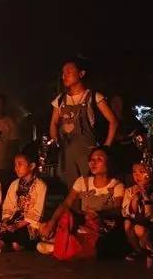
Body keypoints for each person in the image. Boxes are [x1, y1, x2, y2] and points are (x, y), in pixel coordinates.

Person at [38, 146, 125, 260]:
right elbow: (66, 204)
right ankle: (64, 244)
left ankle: (59, 246)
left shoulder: (116, 185)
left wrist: (100, 214)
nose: (93, 163)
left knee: (100, 244)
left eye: (99, 160)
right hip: (82, 225)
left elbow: (118, 210)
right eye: (92, 160)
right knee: (63, 218)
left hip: (99, 228)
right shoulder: (82, 181)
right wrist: (52, 223)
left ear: (109, 163)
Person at [49, 58, 119, 188]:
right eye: (63, 73)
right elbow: (53, 123)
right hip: (67, 153)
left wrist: (105, 148)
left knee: (88, 189)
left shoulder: (94, 97)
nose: (65, 76)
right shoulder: (60, 100)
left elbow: (113, 122)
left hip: (88, 154)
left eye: (69, 71)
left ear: (81, 74)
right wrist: (55, 142)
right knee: (71, 190)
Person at [0, 147, 48, 251]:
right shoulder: (14, 184)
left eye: (20, 164)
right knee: (1, 240)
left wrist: (17, 225)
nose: (16, 168)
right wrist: (6, 220)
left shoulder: (40, 186)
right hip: (15, 220)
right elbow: (8, 205)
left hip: (29, 223)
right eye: (15, 165)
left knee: (16, 245)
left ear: (31, 166)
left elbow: (36, 212)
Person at [122, 161, 153, 263]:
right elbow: (125, 212)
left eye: (142, 172)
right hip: (136, 221)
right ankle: (138, 250)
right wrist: (135, 200)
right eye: (134, 172)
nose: (137, 175)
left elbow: (152, 216)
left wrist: (146, 198)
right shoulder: (130, 191)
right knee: (127, 223)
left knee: (139, 229)